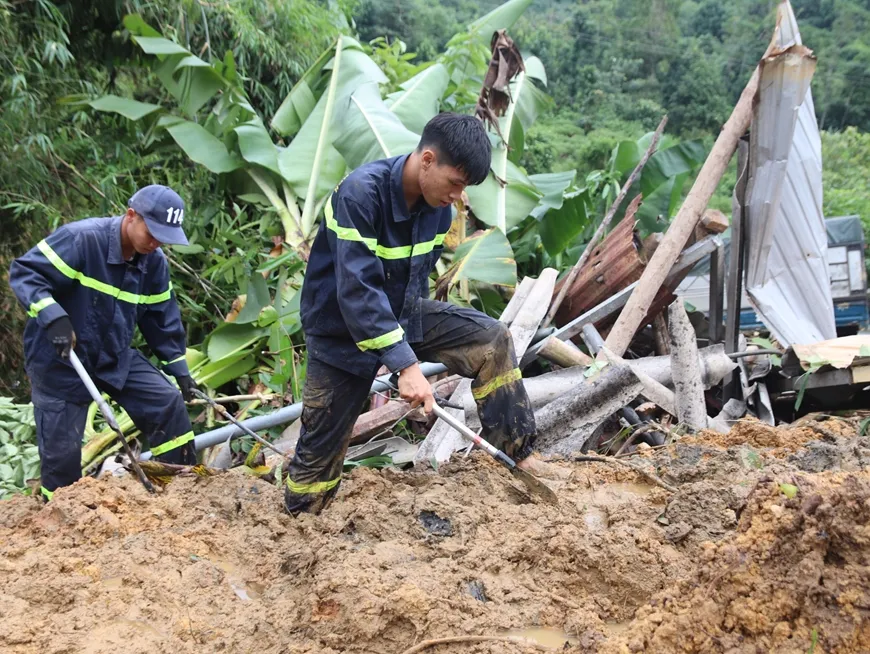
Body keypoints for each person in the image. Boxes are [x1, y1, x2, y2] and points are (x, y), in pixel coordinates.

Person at [286, 112, 537, 515]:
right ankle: (299, 523)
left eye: (465, 187)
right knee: (317, 459)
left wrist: (399, 352)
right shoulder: (359, 196)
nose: (458, 196)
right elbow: (357, 292)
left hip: (402, 316)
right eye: (455, 182)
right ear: (426, 160)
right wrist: (403, 365)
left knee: (492, 340)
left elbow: (416, 279)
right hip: (340, 332)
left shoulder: (438, 209)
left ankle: (517, 456)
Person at [9, 185, 200, 501]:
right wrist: (53, 315)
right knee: (62, 458)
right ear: (131, 216)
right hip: (61, 361)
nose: (156, 243)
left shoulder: (153, 262)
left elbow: (160, 319)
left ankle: (180, 491)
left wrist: (179, 369)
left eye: (164, 237)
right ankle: (60, 517)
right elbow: (26, 274)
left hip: (112, 355)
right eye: (152, 233)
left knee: (166, 403)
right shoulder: (82, 240)